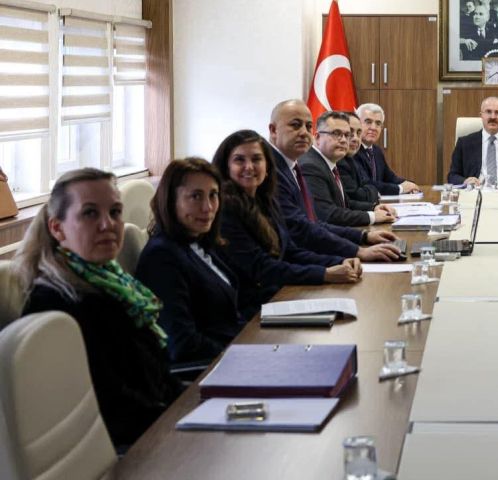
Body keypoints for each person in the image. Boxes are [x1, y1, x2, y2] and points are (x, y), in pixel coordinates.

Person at [16, 168, 181, 449]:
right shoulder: (57, 305)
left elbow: (153, 377)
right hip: (130, 451)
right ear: (57, 228)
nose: (108, 224)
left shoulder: (115, 283)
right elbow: (113, 409)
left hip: (158, 428)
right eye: (90, 213)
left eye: (115, 212)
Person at [211, 130, 361, 320]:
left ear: (267, 166)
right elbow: (261, 268)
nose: (249, 167)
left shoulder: (266, 200)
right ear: (226, 167)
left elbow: (290, 251)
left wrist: (339, 262)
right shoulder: (225, 210)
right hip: (248, 311)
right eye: (239, 160)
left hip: (275, 298)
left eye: (256, 159)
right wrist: (324, 273)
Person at [135, 158, 242, 365]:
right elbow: (182, 344)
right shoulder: (162, 257)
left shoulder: (199, 242)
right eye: (195, 196)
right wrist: (243, 354)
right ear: (170, 201)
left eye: (213, 195)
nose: (208, 207)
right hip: (208, 370)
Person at [268, 99, 401, 262]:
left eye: (308, 126)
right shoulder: (300, 167)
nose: (346, 140)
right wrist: (356, 251)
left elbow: (314, 223)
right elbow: (316, 222)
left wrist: (364, 236)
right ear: (273, 130)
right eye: (296, 125)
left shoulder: (301, 165)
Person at [299, 111, 396, 227]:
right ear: (318, 137)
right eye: (336, 133)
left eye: (346, 135)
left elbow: (344, 203)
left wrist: (373, 207)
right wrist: (372, 216)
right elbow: (328, 214)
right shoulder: (311, 166)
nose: (344, 140)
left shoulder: (330, 162)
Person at [353, 103, 420, 195]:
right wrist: (400, 188)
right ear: (357, 124)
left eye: (378, 123)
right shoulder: (352, 151)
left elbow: (390, 177)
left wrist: (408, 184)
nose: (373, 127)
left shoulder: (376, 151)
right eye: (368, 122)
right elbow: (366, 183)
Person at [338, 111, 380, 203]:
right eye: (350, 132)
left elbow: (368, 184)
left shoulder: (351, 159)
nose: (356, 138)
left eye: (358, 133)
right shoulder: (339, 162)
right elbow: (357, 196)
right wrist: (373, 192)